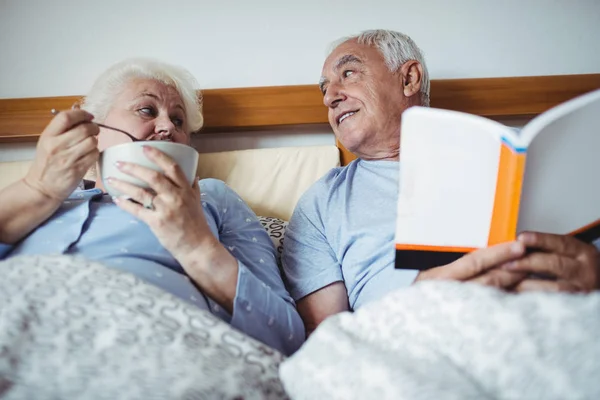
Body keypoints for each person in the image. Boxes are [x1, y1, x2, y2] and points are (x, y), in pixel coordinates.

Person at [281, 29, 599, 336]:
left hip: (552, 319)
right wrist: (426, 298)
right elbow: (326, 336)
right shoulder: (321, 203)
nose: (330, 98)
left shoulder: (520, 153)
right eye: (324, 88)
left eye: (348, 73)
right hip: (415, 340)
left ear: (409, 78)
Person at [0, 58, 304, 355]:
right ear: (93, 126)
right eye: (147, 110)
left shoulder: (212, 198)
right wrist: (37, 189)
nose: (166, 127)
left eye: (178, 120)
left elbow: (286, 336)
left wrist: (196, 245)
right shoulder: (39, 195)